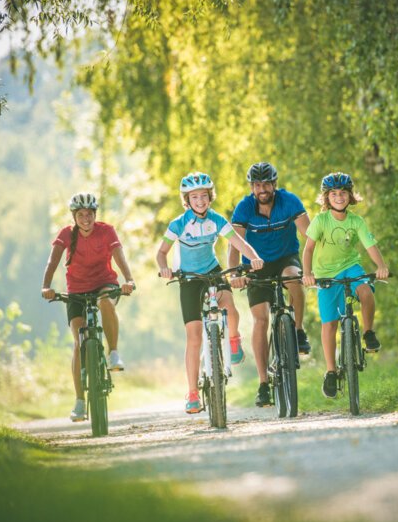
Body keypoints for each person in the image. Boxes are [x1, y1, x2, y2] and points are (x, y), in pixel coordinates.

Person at [157, 172, 264, 414]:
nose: (200, 201)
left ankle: (234, 340)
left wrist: (255, 258)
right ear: (187, 199)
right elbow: (161, 252)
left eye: (204, 196)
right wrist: (164, 268)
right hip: (189, 277)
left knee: (230, 307)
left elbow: (238, 242)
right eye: (194, 197)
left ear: (210, 197)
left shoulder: (216, 219)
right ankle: (193, 393)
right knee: (193, 336)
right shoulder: (178, 224)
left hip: (213, 270)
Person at [41, 192, 136, 421]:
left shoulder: (106, 231)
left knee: (105, 302)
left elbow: (119, 255)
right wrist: (46, 286)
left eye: (90, 214)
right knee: (78, 342)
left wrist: (129, 280)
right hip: (76, 289)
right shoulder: (66, 234)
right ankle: (80, 402)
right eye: (81, 215)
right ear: (74, 216)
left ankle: (113, 353)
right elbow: (52, 261)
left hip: (105, 282)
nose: (86, 219)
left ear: (95, 214)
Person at [228, 161, 312, 408]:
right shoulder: (244, 208)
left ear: (274, 184)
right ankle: (264, 384)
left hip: (286, 257)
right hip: (256, 265)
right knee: (261, 320)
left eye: (266, 184)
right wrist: (234, 274)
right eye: (257, 185)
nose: (262, 189)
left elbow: (310, 235)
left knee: (294, 277)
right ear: (252, 187)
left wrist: (313, 267)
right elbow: (233, 243)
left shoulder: (290, 201)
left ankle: (297, 331)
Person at [301, 172, 389, 399]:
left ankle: (368, 333)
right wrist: (308, 273)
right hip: (325, 274)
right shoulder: (320, 221)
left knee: (366, 290)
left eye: (343, 193)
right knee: (329, 325)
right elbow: (308, 249)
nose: (339, 197)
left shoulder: (356, 221)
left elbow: (370, 246)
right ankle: (331, 371)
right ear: (326, 198)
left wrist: (381, 266)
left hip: (351, 267)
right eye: (334, 194)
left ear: (350, 196)